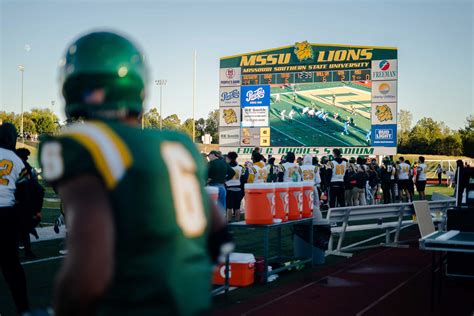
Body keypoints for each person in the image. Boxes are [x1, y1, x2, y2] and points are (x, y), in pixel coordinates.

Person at [39, 31, 232, 316]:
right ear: (138, 86)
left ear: (73, 83)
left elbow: (88, 277)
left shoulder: (81, 144)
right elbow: (220, 236)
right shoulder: (178, 144)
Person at [0, 123, 30, 314]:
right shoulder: (17, 161)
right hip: (5, 215)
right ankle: (23, 309)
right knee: (12, 267)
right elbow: (27, 192)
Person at [15, 147, 45, 259]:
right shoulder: (28, 168)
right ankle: (27, 249)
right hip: (25, 203)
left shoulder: (18, 166)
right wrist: (36, 209)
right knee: (23, 227)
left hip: (16, 201)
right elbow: (38, 189)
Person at [225, 152, 247, 222]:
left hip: (229, 188)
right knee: (237, 207)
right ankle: (237, 221)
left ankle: (229, 222)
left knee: (229, 207)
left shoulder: (226, 167)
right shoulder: (241, 167)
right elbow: (243, 179)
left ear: (228, 158)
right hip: (238, 188)